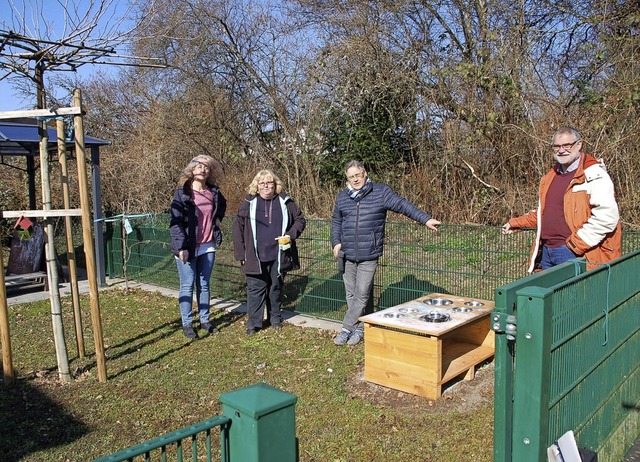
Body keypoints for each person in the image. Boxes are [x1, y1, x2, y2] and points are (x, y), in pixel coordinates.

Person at [330, 160, 441, 346]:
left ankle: (346, 328)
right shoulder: (342, 197)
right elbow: (336, 222)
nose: (355, 179)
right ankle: (359, 328)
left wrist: (425, 219)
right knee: (351, 294)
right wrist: (336, 243)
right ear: (347, 178)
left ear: (364, 173)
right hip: (347, 253)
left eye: (358, 175)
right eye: (351, 177)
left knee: (362, 294)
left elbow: (403, 205)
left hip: (369, 253)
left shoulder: (380, 192)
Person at [502, 126, 621, 272]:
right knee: (549, 294)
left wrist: (575, 244)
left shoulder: (594, 175)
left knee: (575, 295)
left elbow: (607, 216)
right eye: (557, 146)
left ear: (579, 144)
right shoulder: (550, 177)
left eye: (567, 145)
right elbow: (545, 213)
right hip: (547, 251)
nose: (561, 150)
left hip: (574, 252)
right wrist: (516, 223)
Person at [232, 169, 306, 336]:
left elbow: (300, 220)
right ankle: (254, 323)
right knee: (255, 288)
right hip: (254, 255)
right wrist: (241, 254)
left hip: (279, 255)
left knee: (275, 287)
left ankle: (275, 318)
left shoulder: (286, 202)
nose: (266, 186)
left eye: (269, 183)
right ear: (256, 186)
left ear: (275, 185)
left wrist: (290, 235)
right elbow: (238, 228)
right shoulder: (248, 203)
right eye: (262, 183)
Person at [170, 155, 227, 339]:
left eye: (207, 167)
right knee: (187, 285)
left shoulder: (214, 192)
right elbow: (175, 222)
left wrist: (217, 219)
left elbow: (222, 206)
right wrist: (181, 247)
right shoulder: (182, 193)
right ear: (192, 170)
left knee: (204, 285)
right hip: (187, 246)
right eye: (200, 166)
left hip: (207, 246)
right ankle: (187, 323)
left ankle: (205, 320)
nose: (203, 170)